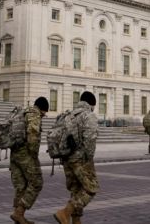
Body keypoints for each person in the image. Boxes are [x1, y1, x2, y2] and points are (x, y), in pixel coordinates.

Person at [54, 91, 99, 224]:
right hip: (80, 159)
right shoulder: (88, 115)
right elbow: (90, 139)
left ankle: (76, 221)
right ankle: (65, 213)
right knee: (91, 188)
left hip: (66, 158)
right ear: (92, 104)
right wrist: (89, 158)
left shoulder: (69, 115)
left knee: (76, 190)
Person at [9, 96, 48, 224]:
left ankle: (18, 218)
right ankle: (19, 212)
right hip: (26, 155)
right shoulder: (34, 114)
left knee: (21, 186)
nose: (43, 116)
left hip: (14, 154)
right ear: (42, 109)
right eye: (44, 114)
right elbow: (33, 135)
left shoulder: (23, 112)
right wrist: (34, 154)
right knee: (37, 183)